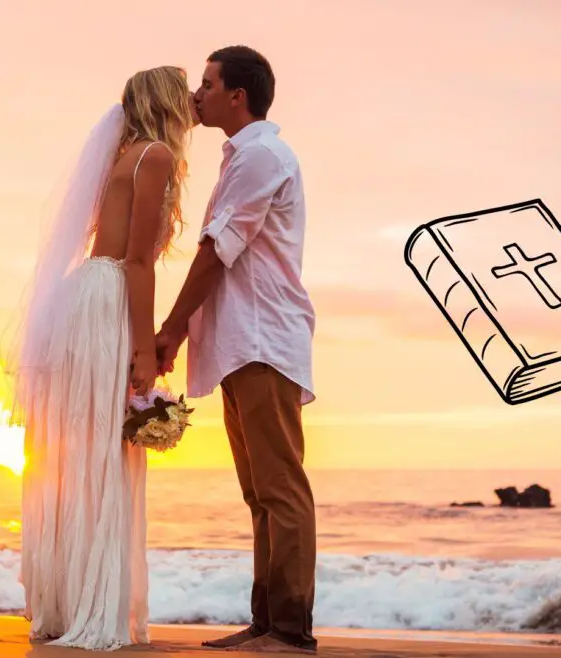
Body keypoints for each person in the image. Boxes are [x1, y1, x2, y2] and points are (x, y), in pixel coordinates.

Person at [1, 66, 197, 651]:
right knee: (105, 453)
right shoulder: (155, 156)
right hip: (109, 298)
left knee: (85, 450)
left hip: (86, 297)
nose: (193, 100)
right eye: (185, 90)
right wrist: (143, 351)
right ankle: (92, 607)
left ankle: (66, 601)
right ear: (165, 100)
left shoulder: (123, 155)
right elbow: (138, 263)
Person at [156, 46, 318, 654]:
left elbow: (217, 249)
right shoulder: (242, 157)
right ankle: (266, 622)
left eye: (206, 84)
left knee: (280, 486)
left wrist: (172, 328)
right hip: (240, 341)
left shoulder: (260, 156)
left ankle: (291, 632)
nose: (196, 95)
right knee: (258, 492)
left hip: (263, 338)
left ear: (237, 96)